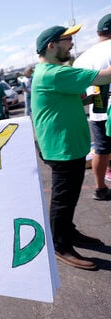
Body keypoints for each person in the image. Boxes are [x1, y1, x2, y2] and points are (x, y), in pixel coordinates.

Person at [32, 23, 111, 270]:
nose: (72, 43)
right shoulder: (52, 73)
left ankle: (69, 231)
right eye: (67, 39)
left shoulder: (52, 72)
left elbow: (72, 98)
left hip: (67, 146)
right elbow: (104, 75)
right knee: (63, 200)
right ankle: (60, 245)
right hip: (61, 148)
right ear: (52, 45)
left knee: (69, 196)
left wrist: (88, 98)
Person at [74, 13, 111, 201]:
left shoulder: (82, 57)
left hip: (97, 112)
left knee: (101, 149)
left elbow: (79, 92)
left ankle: (100, 188)